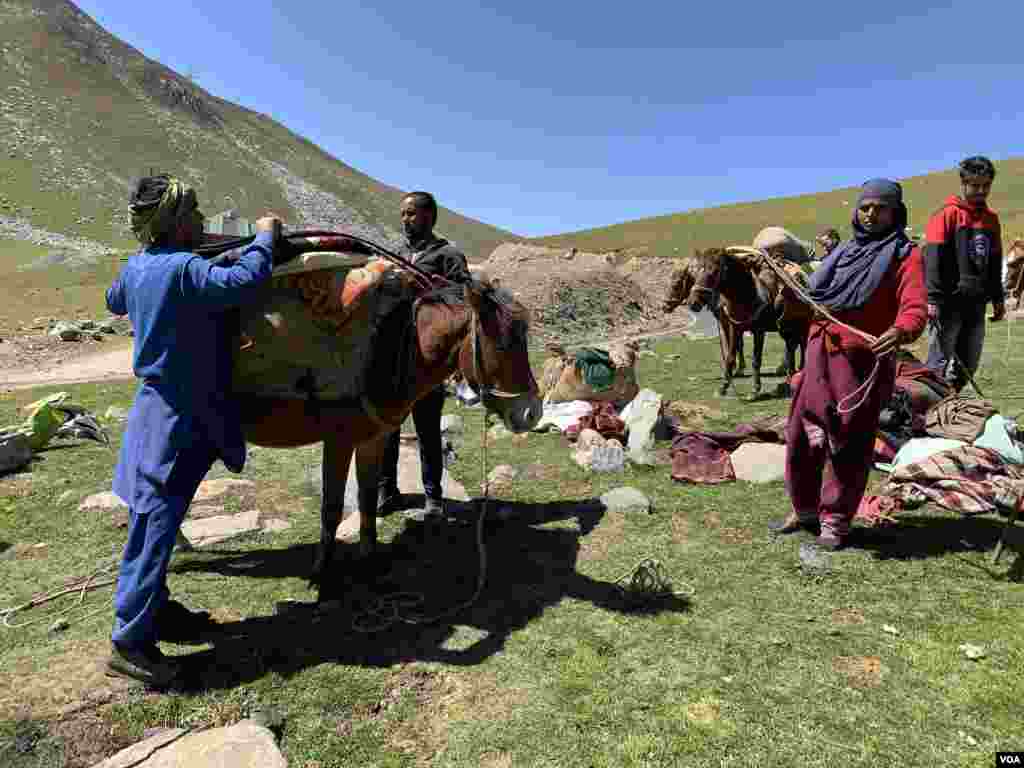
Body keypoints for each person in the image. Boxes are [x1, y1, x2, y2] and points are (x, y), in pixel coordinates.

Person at [105, 174, 282, 687]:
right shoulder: (184, 269)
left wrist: (160, 270)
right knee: (155, 528)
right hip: (178, 418)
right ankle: (130, 643)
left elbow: (114, 300)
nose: (203, 219)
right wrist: (265, 238)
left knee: (152, 520)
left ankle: (156, 611)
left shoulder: (142, 266)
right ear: (177, 223)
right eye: (195, 213)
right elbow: (245, 281)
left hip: (152, 409)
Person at [771, 179, 927, 550]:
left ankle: (836, 520)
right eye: (865, 207)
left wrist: (901, 329)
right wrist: (790, 285)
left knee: (849, 442)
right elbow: (815, 297)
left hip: (860, 363)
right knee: (802, 435)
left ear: (895, 213)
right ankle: (804, 509)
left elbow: (915, 306)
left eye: (880, 208)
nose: (871, 215)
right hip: (818, 357)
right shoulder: (843, 253)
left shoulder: (904, 255)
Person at [377, 191, 470, 518]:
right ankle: (386, 491)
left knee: (428, 430)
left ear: (429, 216)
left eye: (411, 213)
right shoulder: (397, 254)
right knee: (387, 427)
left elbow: (463, 301)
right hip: (393, 357)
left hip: (428, 362)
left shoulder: (448, 255)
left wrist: (427, 289)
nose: (405, 220)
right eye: (403, 214)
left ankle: (433, 496)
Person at [924, 155, 1005, 390]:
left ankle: (950, 401)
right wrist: (932, 299)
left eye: (986, 185)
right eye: (975, 185)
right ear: (963, 183)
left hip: (976, 304)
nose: (981, 191)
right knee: (938, 363)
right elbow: (933, 258)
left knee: (968, 364)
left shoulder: (991, 220)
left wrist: (998, 298)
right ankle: (928, 405)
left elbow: (994, 262)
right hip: (948, 304)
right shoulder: (946, 214)